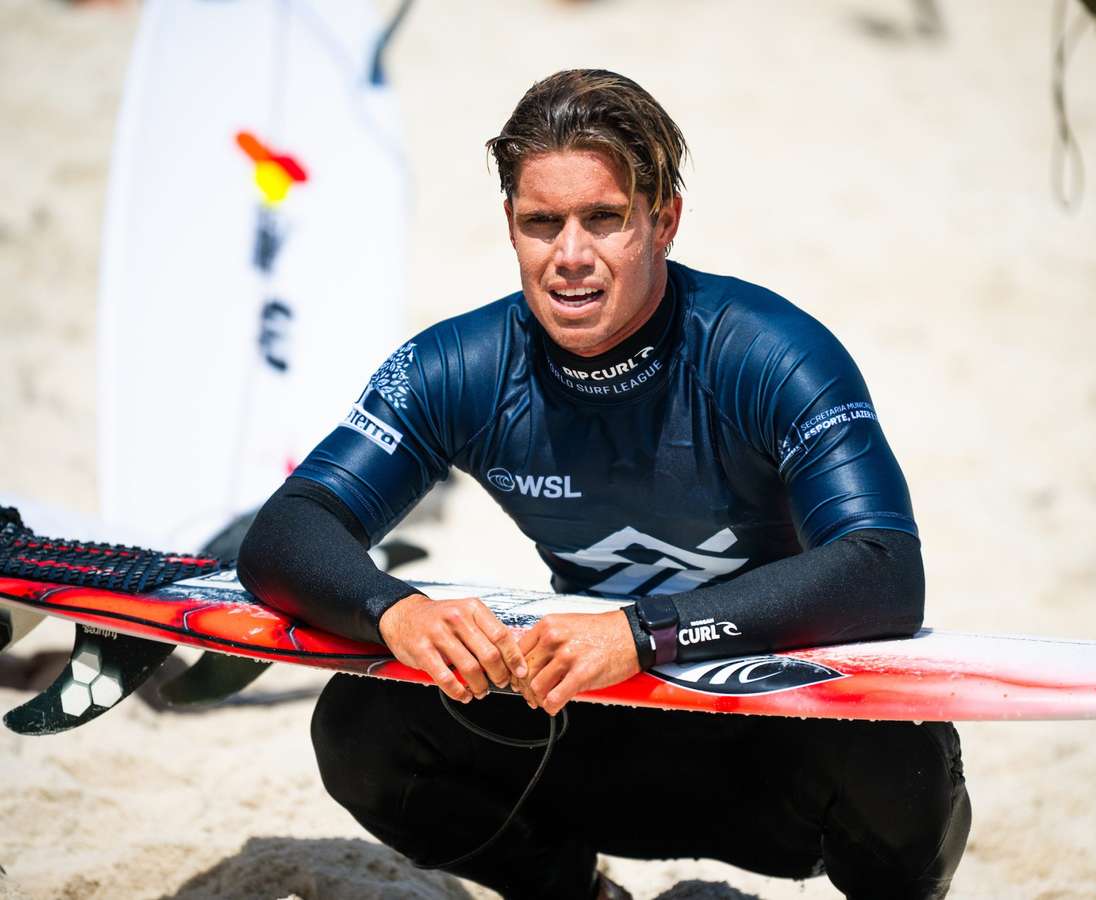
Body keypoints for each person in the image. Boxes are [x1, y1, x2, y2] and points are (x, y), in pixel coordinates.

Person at [238, 69, 971, 900]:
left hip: (779, 746)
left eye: (604, 219)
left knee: (903, 747)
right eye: (541, 223)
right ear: (511, 228)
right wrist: (393, 609)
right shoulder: (458, 368)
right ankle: (570, 892)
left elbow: (882, 569)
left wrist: (643, 632)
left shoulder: (772, 354)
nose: (570, 257)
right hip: (587, 731)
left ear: (664, 221)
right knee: (362, 724)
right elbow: (289, 527)